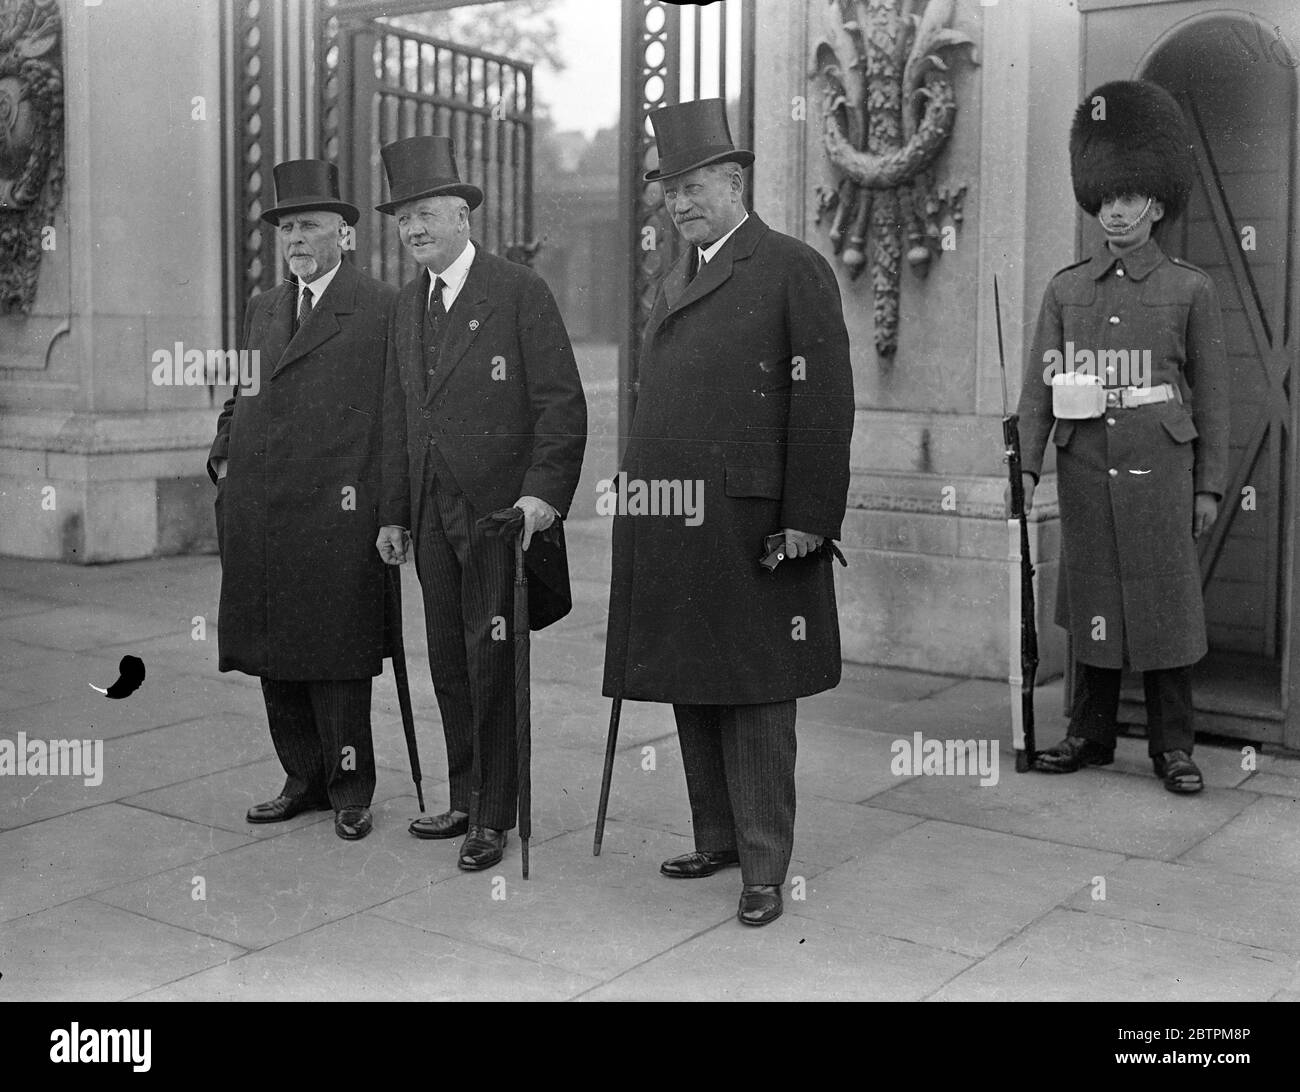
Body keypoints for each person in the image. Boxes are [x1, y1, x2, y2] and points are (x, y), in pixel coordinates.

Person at [602, 99, 855, 926]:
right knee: (692, 679)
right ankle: (716, 836)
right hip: (675, 520)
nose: (679, 202)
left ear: (735, 180)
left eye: (695, 184)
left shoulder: (790, 266)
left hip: (752, 524)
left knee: (753, 692)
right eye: (669, 189)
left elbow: (824, 404)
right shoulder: (680, 273)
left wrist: (810, 515)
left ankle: (763, 865)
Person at [374, 136, 587, 871]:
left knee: (493, 659)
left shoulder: (518, 291)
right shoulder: (408, 306)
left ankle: (495, 815)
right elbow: (402, 419)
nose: (413, 230)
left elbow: (561, 406)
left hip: (499, 516)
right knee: (448, 659)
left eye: (426, 214)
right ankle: (465, 795)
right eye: (403, 220)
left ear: (464, 216)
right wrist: (394, 514)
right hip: (433, 515)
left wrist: (541, 500)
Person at [1016, 80, 1228, 793]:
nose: (1115, 209)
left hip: (1161, 466)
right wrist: (1025, 468)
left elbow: (1215, 398)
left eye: (1129, 197)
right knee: (1097, 598)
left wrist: (1209, 484)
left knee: (1166, 603)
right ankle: (1089, 734)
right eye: (1106, 197)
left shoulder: (1191, 289)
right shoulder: (1066, 289)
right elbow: (1041, 387)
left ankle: (1173, 747)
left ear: (1158, 204)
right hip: (1086, 467)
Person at [209, 159, 398, 839]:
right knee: (271, 649)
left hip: (338, 510)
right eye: (288, 226)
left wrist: (388, 509)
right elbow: (240, 390)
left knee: (338, 654)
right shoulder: (264, 305)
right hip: (260, 507)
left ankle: (350, 787)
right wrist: (224, 451)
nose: (296, 238)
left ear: (345, 235)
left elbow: (397, 415)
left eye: (311, 225)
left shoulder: (381, 305)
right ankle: (302, 779)